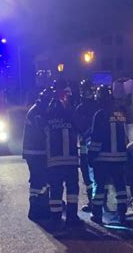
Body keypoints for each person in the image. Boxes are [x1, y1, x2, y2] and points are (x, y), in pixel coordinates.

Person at [88, 85, 129, 224]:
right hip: (120, 158)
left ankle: (97, 214)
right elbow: (125, 136)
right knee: (120, 186)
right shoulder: (120, 114)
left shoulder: (99, 115)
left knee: (99, 187)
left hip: (102, 158)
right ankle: (122, 213)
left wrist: (91, 155)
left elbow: (96, 138)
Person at [45, 97, 82, 227]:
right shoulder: (71, 119)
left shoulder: (48, 121)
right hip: (71, 162)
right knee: (72, 191)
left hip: (54, 162)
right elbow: (81, 131)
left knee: (55, 191)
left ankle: (56, 218)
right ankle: (72, 217)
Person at [22, 89, 52, 220]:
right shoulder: (37, 112)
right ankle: (35, 208)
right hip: (36, 152)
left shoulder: (37, 109)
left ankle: (42, 205)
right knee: (37, 180)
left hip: (36, 152)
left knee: (42, 180)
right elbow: (45, 130)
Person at [74, 80, 98, 211]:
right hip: (97, 148)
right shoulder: (98, 106)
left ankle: (94, 202)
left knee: (89, 177)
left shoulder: (80, 108)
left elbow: (78, 128)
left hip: (86, 149)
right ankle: (96, 202)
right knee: (95, 176)